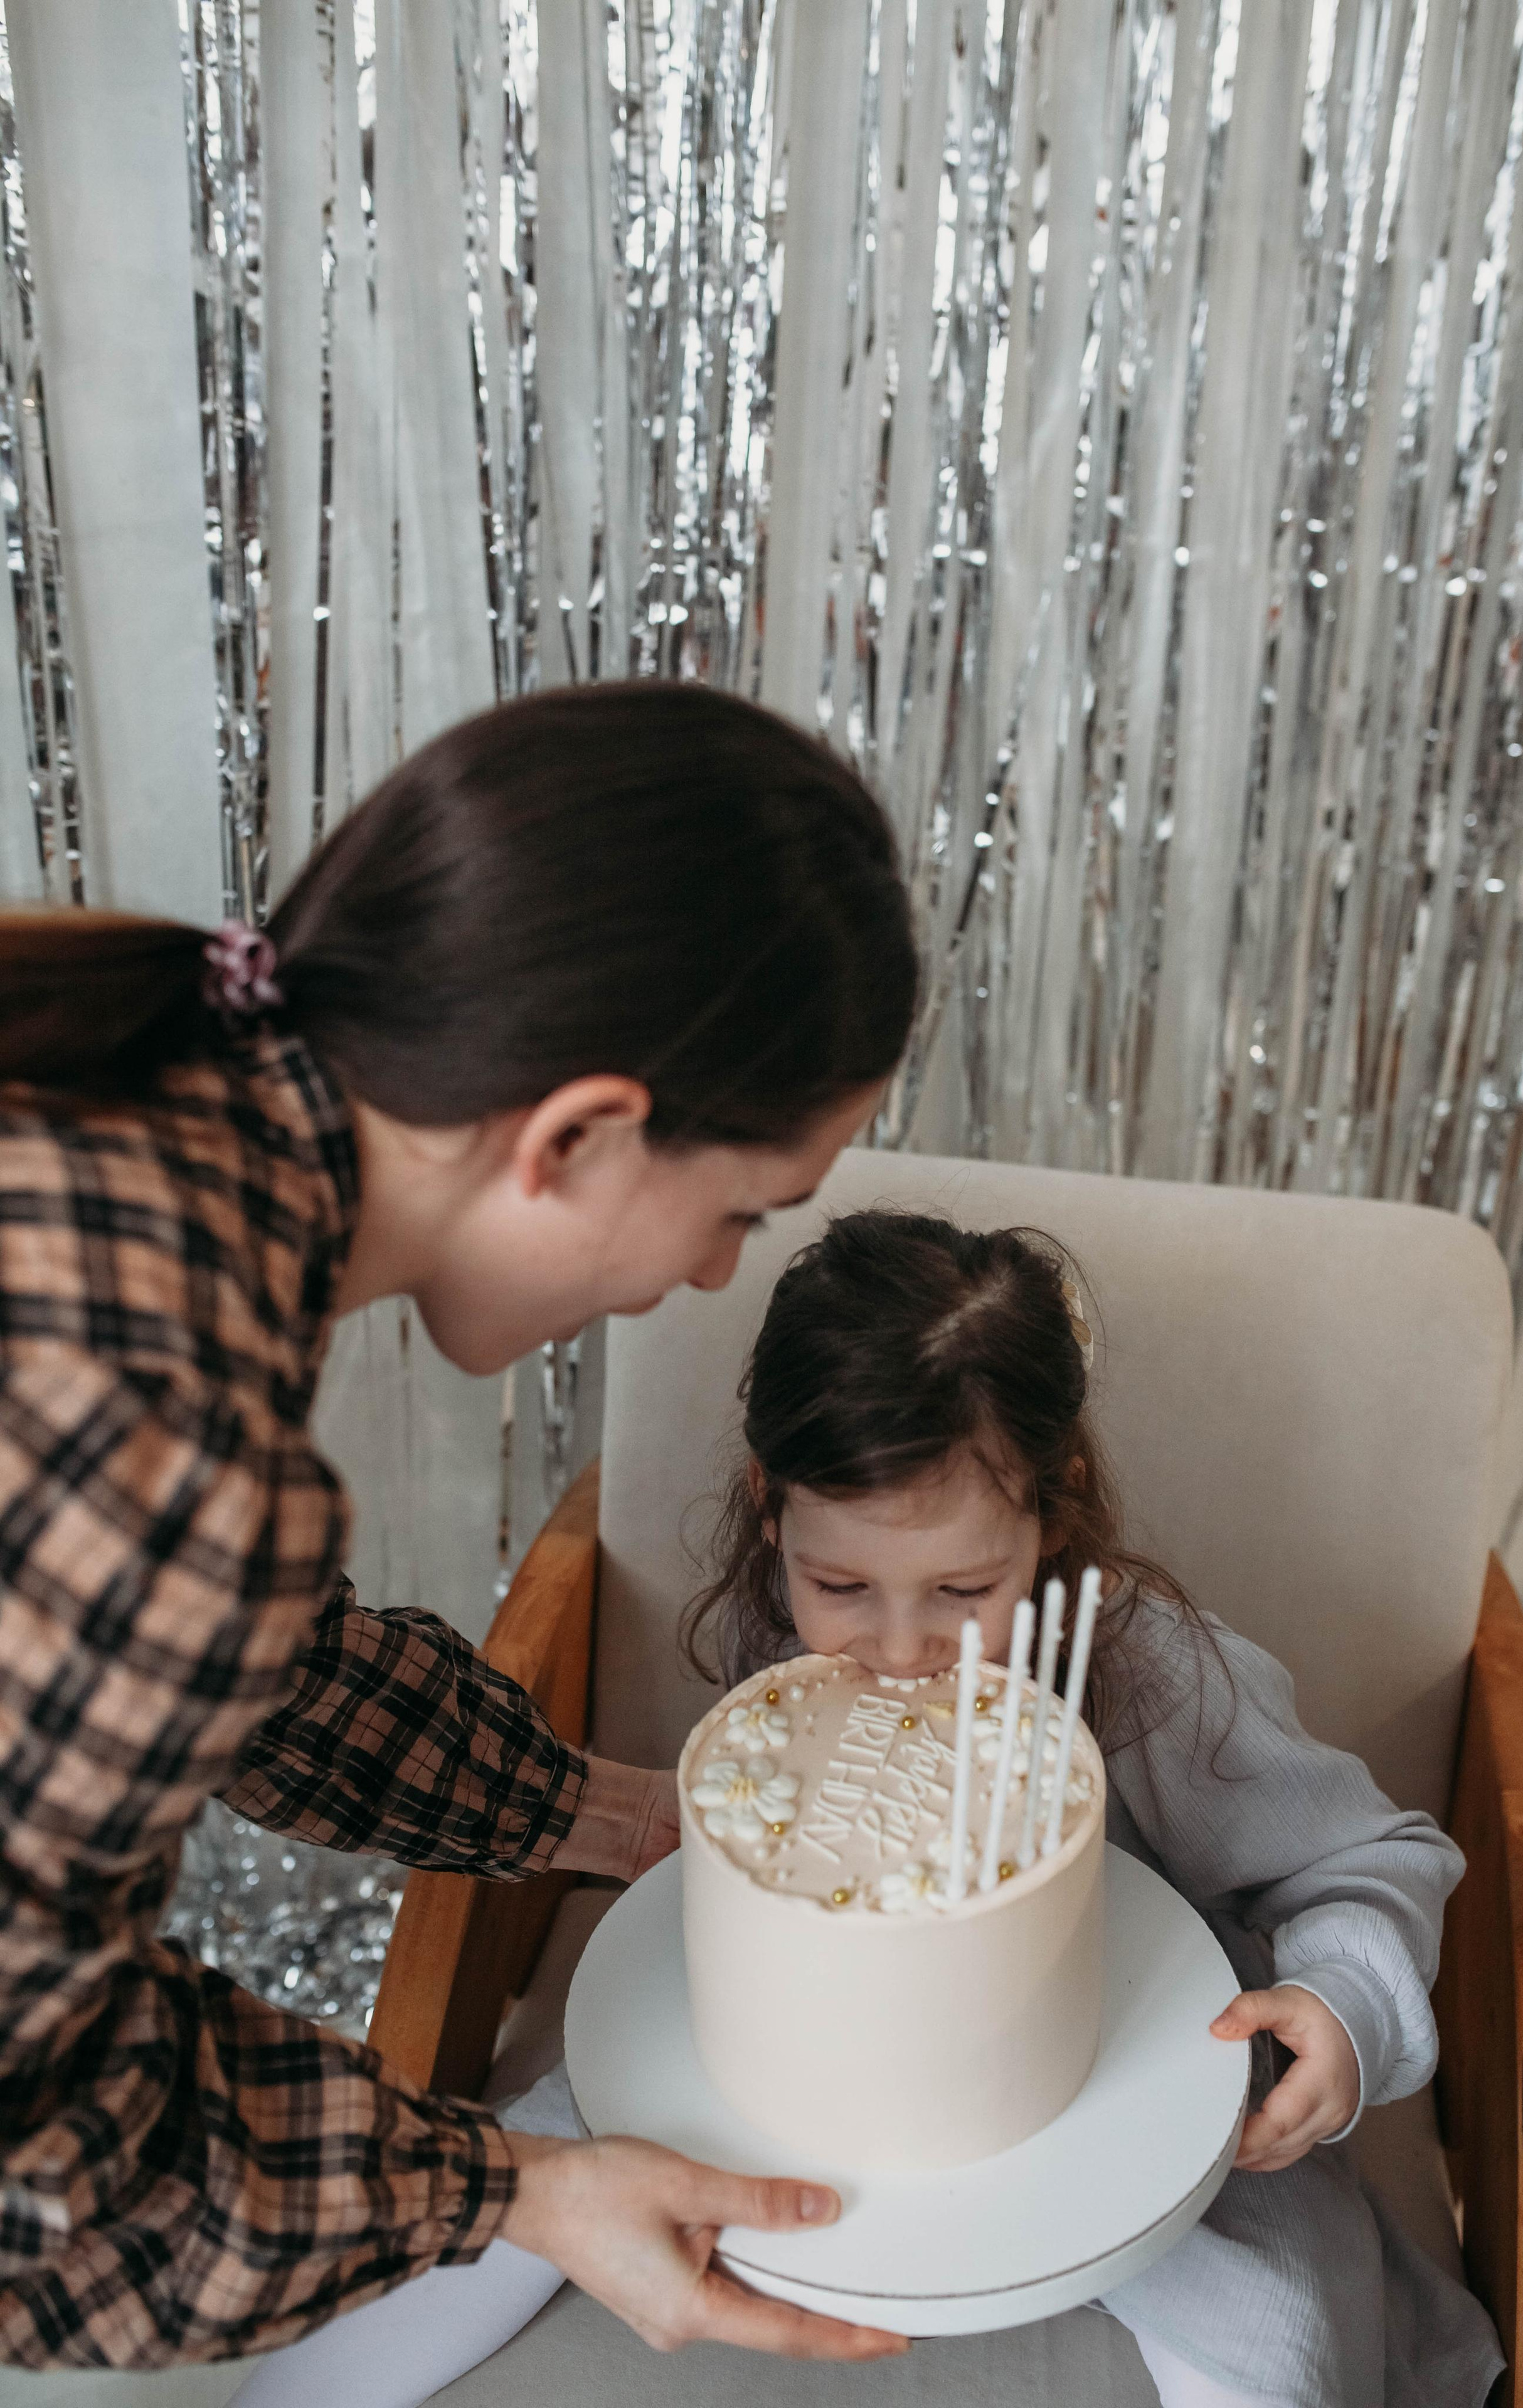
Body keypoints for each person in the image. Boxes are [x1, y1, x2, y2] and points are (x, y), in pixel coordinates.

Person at [0, 684, 921, 2373]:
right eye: (739, 1214)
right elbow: (40, 2170)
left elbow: (255, 1669)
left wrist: (591, 1807)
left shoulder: (117, 1137)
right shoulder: (165, 1452)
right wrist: (510, 2189)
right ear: (576, 1135)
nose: (713, 1278)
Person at [250, 1212, 1507, 2408]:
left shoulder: (1147, 1674)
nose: (901, 1649)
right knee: (450, 2246)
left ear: (1050, 1509)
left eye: (964, 1585)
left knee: (1279, 2344)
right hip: (766, 2065)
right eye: (840, 1581)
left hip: (1104, 2090)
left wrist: (1341, 2005)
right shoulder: (774, 1644)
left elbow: (1366, 1858)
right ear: (769, 1507)